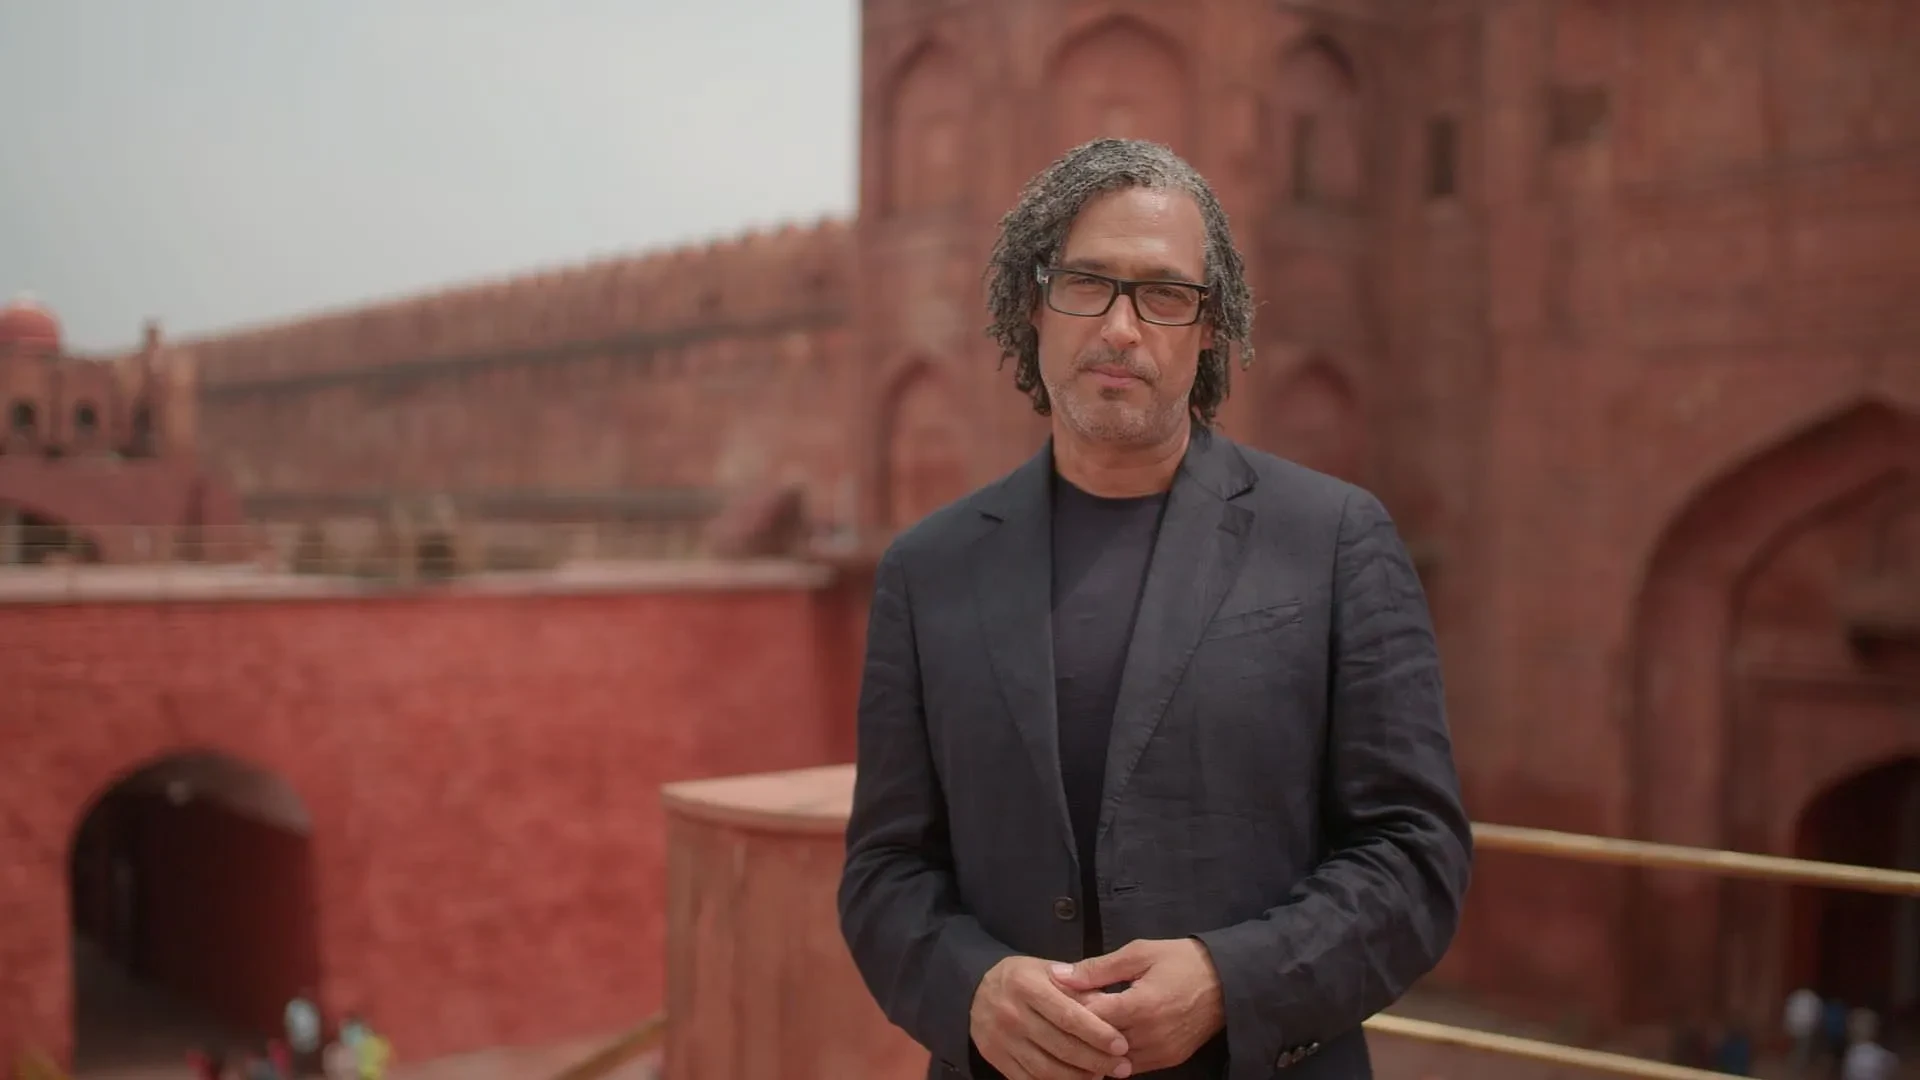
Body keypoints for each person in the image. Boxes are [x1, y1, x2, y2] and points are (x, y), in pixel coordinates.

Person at [838, 137, 1473, 1080]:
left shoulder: (1332, 538)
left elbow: (1415, 856)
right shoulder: (932, 568)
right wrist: (971, 988)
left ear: (1211, 330)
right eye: (1087, 283)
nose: (1123, 329)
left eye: (1166, 294)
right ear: (1032, 304)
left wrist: (1231, 980)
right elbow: (885, 872)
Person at [1783, 987, 1821, 1076]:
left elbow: (1816, 1014)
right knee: (1799, 1048)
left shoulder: (1807, 998)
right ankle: (1796, 1065)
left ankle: (1798, 1065)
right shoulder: (1810, 998)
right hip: (1802, 1028)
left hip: (1802, 1028)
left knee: (1801, 1048)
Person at [284, 988, 322, 1076]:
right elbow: (288, 1022)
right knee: (298, 1066)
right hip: (297, 1041)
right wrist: (290, 1037)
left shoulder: (312, 1006)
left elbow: (316, 1023)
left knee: (310, 1065)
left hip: (311, 1042)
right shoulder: (294, 1006)